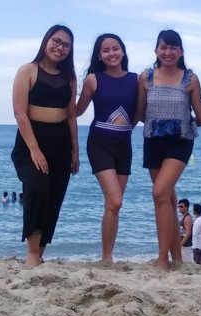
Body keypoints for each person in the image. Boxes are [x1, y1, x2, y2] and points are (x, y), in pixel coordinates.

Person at [137, 29, 201, 270]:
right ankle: (176, 257)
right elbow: (139, 113)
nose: (168, 52)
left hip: (180, 141)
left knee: (159, 193)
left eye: (173, 48)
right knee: (167, 198)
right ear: (156, 50)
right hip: (153, 140)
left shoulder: (190, 79)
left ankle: (162, 258)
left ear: (181, 51)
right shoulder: (145, 77)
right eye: (163, 47)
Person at [11, 24, 79, 267]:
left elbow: (71, 116)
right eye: (56, 41)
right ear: (46, 41)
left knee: (54, 196)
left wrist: (75, 151)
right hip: (31, 139)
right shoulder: (28, 70)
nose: (60, 47)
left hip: (61, 141)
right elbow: (20, 114)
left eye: (66, 44)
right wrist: (34, 149)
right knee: (37, 188)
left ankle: (40, 252)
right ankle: (31, 252)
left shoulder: (70, 78)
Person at [76, 33, 138, 263]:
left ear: (123, 51)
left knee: (113, 206)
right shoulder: (93, 79)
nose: (111, 53)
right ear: (99, 56)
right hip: (99, 144)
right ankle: (106, 256)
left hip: (124, 145)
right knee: (115, 200)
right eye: (106, 50)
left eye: (115, 48)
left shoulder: (136, 80)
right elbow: (77, 111)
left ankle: (107, 256)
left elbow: (140, 112)